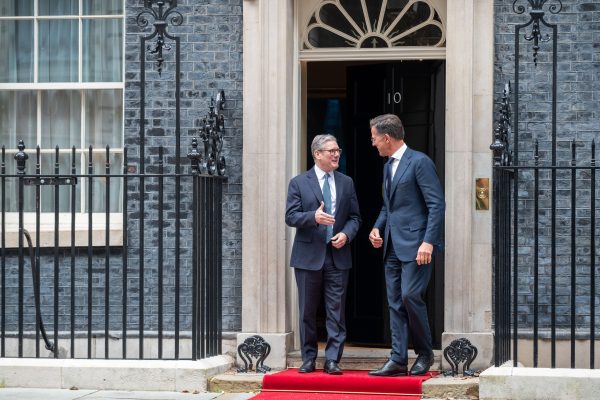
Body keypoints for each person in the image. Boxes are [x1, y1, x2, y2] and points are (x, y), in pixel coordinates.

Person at [367, 114, 445, 377]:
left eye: (375, 138)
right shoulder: (388, 166)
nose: (373, 143)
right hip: (391, 245)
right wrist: (377, 227)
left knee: (410, 296)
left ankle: (424, 354)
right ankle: (398, 359)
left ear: (387, 138)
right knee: (395, 303)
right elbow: (388, 206)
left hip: (417, 245)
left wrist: (428, 243)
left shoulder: (420, 162)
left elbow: (436, 205)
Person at [285, 134, 361, 375]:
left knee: (336, 311)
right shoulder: (299, 182)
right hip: (308, 256)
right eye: (331, 151)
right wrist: (313, 217)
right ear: (317, 154)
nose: (336, 154)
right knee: (307, 310)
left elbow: (355, 218)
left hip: (337, 255)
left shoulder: (346, 182)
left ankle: (332, 360)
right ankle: (308, 358)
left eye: (338, 150)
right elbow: (291, 216)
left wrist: (347, 235)